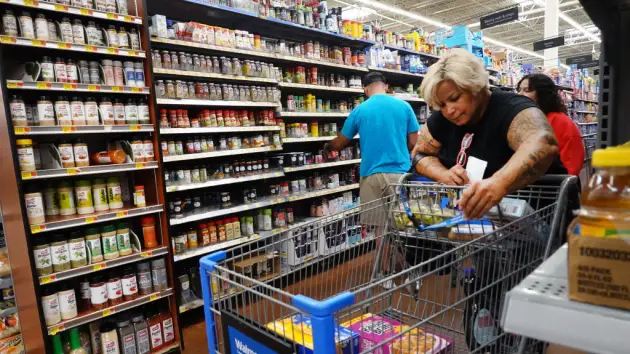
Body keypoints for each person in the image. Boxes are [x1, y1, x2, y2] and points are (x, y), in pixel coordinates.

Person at [411, 48, 565, 220]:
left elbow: (543, 143)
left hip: (542, 218)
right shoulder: (442, 119)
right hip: (491, 227)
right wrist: (443, 174)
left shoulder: (511, 108)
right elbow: (420, 153)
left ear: (475, 86)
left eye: (455, 98)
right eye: (441, 105)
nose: (449, 110)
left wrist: (499, 183)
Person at [324, 72, 420, 203]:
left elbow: (339, 144)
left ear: (365, 89)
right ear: (386, 87)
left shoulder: (359, 110)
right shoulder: (405, 106)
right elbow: (414, 143)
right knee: (400, 220)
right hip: (400, 175)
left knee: (373, 222)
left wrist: (328, 146)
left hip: (371, 175)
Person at [517, 73, 585, 175]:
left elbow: (571, 164)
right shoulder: (530, 119)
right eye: (519, 90)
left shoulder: (559, 121)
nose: (520, 94)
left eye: (527, 90)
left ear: (542, 94)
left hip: (555, 185)